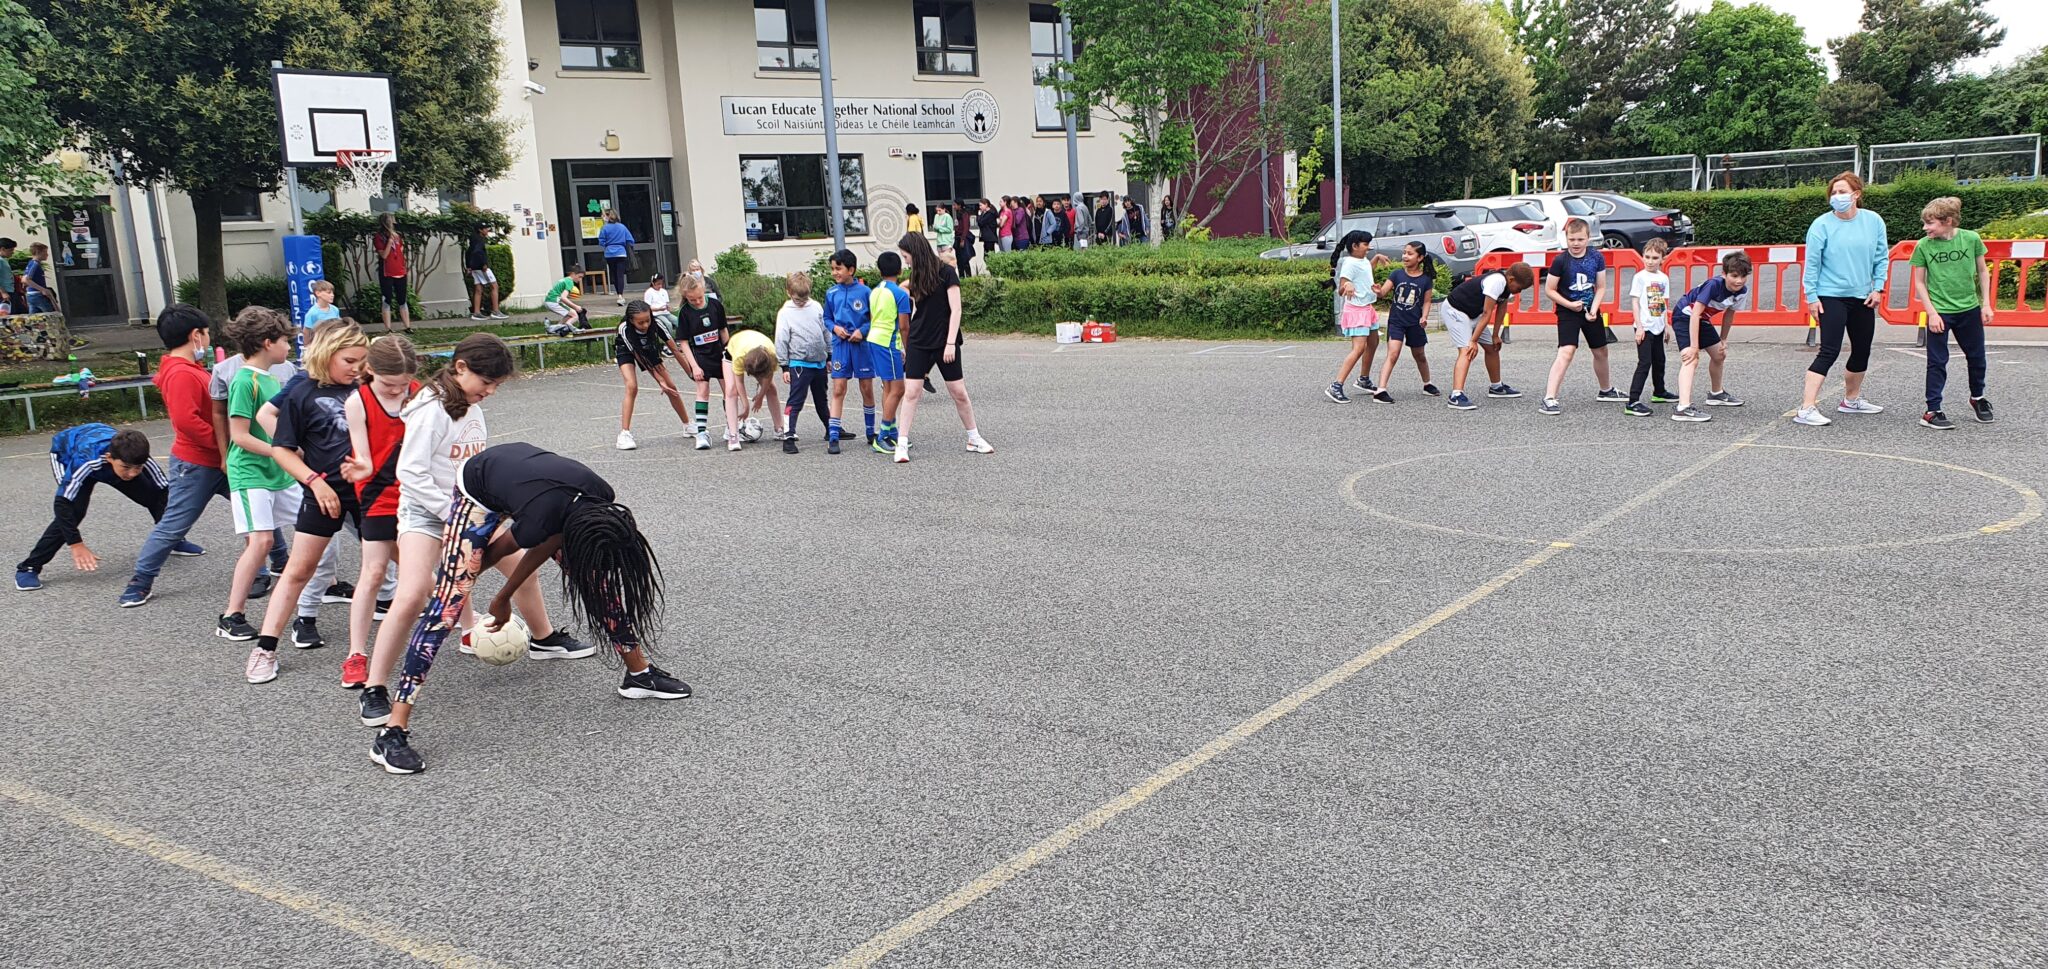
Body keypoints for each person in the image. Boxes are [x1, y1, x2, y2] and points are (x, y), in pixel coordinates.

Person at [369, 443, 689, 774]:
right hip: (479, 483)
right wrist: (468, 586)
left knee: (596, 584)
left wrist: (504, 595)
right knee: (446, 609)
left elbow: (552, 539)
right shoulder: (541, 518)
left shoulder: (601, 497)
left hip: (536, 487)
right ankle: (391, 732)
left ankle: (639, 675)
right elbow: (503, 551)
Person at [359, 334, 580, 729]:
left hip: (470, 509)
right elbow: (410, 473)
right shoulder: (430, 409)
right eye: (487, 382)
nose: (491, 391)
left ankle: (543, 638)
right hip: (425, 513)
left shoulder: (471, 408)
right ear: (460, 367)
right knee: (411, 595)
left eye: (497, 385)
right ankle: (374, 687)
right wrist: (453, 516)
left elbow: (475, 468)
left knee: (522, 567)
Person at [244, 320, 373, 685]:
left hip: (370, 494)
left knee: (405, 564)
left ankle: (465, 622)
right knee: (298, 570)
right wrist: (314, 481)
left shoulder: (368, 387)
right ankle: (265, 649)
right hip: (324, 494)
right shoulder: (302, 392)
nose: (356, 368)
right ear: (327, 354)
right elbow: (282, 450)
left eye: (361, 360)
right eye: (349, 360)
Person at [118, 306, 220, 607]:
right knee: (174, 523)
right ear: (195, 335)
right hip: (197, 463)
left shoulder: (187, 368)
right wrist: (224, 444)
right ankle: (141, 581)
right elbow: (187, 422)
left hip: (216, 457)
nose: (209, 340)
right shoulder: (180, 373)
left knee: (257, 507)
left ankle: (278, 559)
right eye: (207, 334)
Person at [334, 336, 419, 689]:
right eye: (389, 384)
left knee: (445, 565)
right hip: (378, 494)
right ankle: (356, 653)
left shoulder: (421, 394)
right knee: (373, 572)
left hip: (418, 493)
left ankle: (468, 625)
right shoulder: (358, 401)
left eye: (403, 383)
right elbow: (365, 458)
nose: (397, 390)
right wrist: (359, 469)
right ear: (370, 370)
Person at [219, 309, 304, 645]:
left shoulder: (270, 378)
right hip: (250, 472)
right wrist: (281, 452)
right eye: (285, 341)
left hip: (276, 472)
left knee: (315, 526)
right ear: (268, 343)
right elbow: (239, 436)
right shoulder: (245, 381)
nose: (289, 347)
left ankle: (324, 588)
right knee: (262, 542)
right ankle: (231, 615)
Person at [15, 425, 166, 592]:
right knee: (74, 511)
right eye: (126, 468)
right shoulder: (85, 460)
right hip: (69, 455)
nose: (132, 473)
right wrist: (76, 544)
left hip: (106, 456)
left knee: (154, 495)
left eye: (138, 468)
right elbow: (62, 503)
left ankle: (173, 541)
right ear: (109, 458)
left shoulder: (137, 456)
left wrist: (168, 533)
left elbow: (164, 489)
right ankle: (29, 567)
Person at [1798, 170, 1890, 426]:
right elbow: (1812, 263)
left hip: (1862, 295)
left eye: (1842, 192)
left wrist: (1878, 288)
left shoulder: (1873, 221)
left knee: (1862, 349)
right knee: (1829, 350)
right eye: (1833, 192)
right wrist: (1811, 296)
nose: (1836, 196)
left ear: (1856, 194)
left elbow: (1881, 256)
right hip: (1830, 295)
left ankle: (1851, 399)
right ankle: (1806, 407)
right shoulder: (1821, 225)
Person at [892, 233, 993, 463]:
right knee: (911, 392)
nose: (905, 261)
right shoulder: (916, 275)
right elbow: (911, 299)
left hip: (945, 341)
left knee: (959, 392)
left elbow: (956, 310)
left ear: (915, 253)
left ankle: (974, 438)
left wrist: (950, 343)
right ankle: (902, 443)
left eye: (906, 256)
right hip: (919, 340)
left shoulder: (947, 273)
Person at [1909, 196, 1996, 429]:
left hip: (1969, 308)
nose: (1925, 228)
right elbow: (1919, 282)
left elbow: (1983, 271)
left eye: (1930, 223)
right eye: (1925, 223)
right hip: (1940, 311)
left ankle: (1977, 397)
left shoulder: (1971, 239)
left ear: (1948, 221)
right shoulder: (1924, 245)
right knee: (1937, 361)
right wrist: (1932, 313)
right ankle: (1932, 410)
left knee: (1977, 357)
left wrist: (1986, 304)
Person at [1539, 219, 1621, 414]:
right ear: (1566, 238)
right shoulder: (1560, 261)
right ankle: (1549, 397)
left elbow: (1601, 287)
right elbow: (1549, 290)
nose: (1576, 244)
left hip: (1590, 307)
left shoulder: (1596, 257)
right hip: (1567, 309)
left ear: (1588, 238)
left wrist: (1594, 309)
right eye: (1572, 239)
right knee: (1567, 351)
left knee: (1601, 350)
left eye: (1580, 239)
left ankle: (1606, 390)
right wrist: (1569, 304)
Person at [1666, 251, 1752, 423]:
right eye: (1734, 276)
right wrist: (1694, 347)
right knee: (1691, 358)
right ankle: (1683, 408)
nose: (1739, 281)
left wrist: (1723, 339)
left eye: (1743, 276)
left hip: (1702, 319)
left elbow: (1729, 314)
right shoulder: (1713, 285)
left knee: (1719, 354)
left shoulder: (1742, 291)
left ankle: (1716, 394)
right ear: (1724, 274)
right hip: (1685, 315)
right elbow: (1695, 313)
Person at [1440, 264, 1535, 410]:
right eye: (1519, 288)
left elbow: (1502, 308)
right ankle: (1456, 395)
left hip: (1473, 314)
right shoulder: (1497, 281)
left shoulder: (1507, 286)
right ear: (1511, 279)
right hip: (1456, 311)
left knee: (1492, 347)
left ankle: (1496, 387)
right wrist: (1473, 341)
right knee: (1467, 350)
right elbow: (1487, 313)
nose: (1519, 292)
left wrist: (1496, 335)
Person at [611, 299, 692, 451]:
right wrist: (659, 380)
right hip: (627, 349)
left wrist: (691, 373)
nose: (645, 325)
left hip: (647, 348)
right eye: (640, 323)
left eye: (647, 320)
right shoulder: (624, 328)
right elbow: (640, 357)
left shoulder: (657, 324)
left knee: (671, 387)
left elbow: (675, 350)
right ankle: (624, 434)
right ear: (631, 320)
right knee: (632, 387)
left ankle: (687, 425)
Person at [674, 274, 743, 451]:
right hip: (700, 356)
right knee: (703, 390)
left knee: (729, 390)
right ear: (685, 297)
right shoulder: (685, 312)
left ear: (704, 290)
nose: (697, 302)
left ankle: (731, 427)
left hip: (719, 353)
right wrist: (694, 366)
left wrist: (730, 352)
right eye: (692, 299)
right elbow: (683, 342)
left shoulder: (715, 305)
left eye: (699, 297)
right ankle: (702, 432)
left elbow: (723, 331)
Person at [1369, 242, 1440, 400]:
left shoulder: (1426, 279)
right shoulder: (1396, 274)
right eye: (1404, 253)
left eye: (1410, 253)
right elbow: (1383, 292)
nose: (1405, 256)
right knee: (1393, 354)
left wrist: (1424, 316)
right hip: (1396, 321)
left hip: (1415, 323)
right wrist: (1378, 291)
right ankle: (1380, 390)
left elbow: (1427, 301)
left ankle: (1427, 384)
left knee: (1419, 355)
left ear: (1420, 258)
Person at [824, 249, 876, 454]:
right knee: (838, 389)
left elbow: (874, 319)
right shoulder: (831, 293)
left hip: (861, 347)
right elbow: (827, 318)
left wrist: (862, 331)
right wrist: (835, 328)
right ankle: (833, 435)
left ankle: (871, 432)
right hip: (840, 346)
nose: (835, 273)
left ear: (851, 270)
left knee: (866, 388)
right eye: (833, 269)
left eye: (838, 268)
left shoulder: (865, 292)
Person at [775, 271, 832, 454]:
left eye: (804, 298)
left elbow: (825, 331)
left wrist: (829, 355)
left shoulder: (816, 307)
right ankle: (788, 435)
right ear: (789, 293)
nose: (801, 302)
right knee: (796, 400)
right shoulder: (785, 313)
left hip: (819, 362)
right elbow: (781, 339)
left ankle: (831, 428)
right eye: (797, 299)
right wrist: (784, 366)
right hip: (799, 363)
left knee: (821, 398)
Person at [1324, 230, 1382, 404]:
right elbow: (1341, 289)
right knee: (1359, 348)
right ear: (1355, 246)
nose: (1368, 247)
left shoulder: (1362, 260)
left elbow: (1365, 271)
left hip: (1367, 308)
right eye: (1365, 244)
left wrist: (1376, 259)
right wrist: (1347, 285)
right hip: (1356, 310)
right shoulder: (1349, 263)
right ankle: (1336, 385)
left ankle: (1364, 379)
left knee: (1373, 342)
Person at [1624, 239, 1676, 417]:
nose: (1650, 261)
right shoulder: (1640, 277)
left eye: (1655, 258)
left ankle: (1659, 392)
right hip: (1644, 327)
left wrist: (1666, 325)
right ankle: (1632, 401)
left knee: (1660, 360)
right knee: (1644, 362)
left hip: (1658, 326)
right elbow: (1635, 302)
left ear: (1663, 259)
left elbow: (1662, 303)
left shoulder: (1663, 278)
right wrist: (1639, 327)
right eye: (1647, 257)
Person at [868, 251, 912, 453]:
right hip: (888, 342)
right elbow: (904, 326)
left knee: (888, 387)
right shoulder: (900, 294)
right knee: (898, 389)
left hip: (874, 339)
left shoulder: (875, 291)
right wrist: (907, 348)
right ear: (900, 270)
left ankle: (892, 432)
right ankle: (882, 435)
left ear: (879, 271)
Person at [726, 325, 784, 442]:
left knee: (771, 388)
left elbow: (768, 377)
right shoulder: (739, 357)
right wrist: (746, 406)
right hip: (733, 348)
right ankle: (732, 433)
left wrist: (760, 396)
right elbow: (739, 383)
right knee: (731, 389)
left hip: (759, 346)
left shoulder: (772, 355)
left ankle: (779, 429)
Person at [372, 213, 413, 333]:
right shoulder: (379, 237)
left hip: (399, 270)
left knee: (402, 299)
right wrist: (390, 242)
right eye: (391, 221)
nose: (393, 223)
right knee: (387, 299)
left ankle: (407, 327)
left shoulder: (397, 236)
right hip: (387, 272)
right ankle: (388, 328)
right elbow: (384, 255)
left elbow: (400, 251)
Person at [466, 225, 508, 321]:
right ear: (480, 230)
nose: (487, 230)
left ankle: (476, 313)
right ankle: (496, 311)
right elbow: (478, 252)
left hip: (474, 267)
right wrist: (483, 264)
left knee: (478, 289)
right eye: (485, 229)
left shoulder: (473, 239)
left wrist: (469, 266)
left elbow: (468, 252)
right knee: (494, 286)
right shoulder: (480, 240)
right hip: (481, 267)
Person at [597, 211, 635, 306]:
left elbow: (601, 241)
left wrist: (608, 244)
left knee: (613, 275)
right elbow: (630, 240)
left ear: (608, 217)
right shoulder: (622, 227)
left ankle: (618, 293)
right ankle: (620, 295)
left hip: (609, 254)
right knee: (620, 275)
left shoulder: (605, 228)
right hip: (621, 253)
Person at [544, 267, 587, 336]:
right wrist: (576, 307)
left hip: (549, 301)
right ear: (573, 274)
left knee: (569, 315)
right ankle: (570, 327)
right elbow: (563, 297)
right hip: (554, 301)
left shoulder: (565, 279)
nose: (580, 280)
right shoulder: (570, 282)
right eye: (579, 277)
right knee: (575, 315)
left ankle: (556, 329)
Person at [304, 279, 342, 356]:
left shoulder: (335, 309)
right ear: (318, 293)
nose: (332, 295)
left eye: (332, 293)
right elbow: (306, 331)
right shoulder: (312, 313)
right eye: (329, 293)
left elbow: (339, 325)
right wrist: (307, 347)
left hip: (334, 344)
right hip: (320, 346)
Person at [22, 242, 56, 314]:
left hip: (31, 295)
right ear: (38, 252)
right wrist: (43, 289)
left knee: (34, 316)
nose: (47, 254)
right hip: (37, 294)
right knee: (50, 315)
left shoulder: (31, 263)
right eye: (45, 252)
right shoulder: (35, 264)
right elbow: (26, 279)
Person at [0, 238, 16, 313]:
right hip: (5, 292)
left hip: (10, 290)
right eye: (10, 250)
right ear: (2, 249)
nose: (12, 252)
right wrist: (3, 292)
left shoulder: (3, 260)